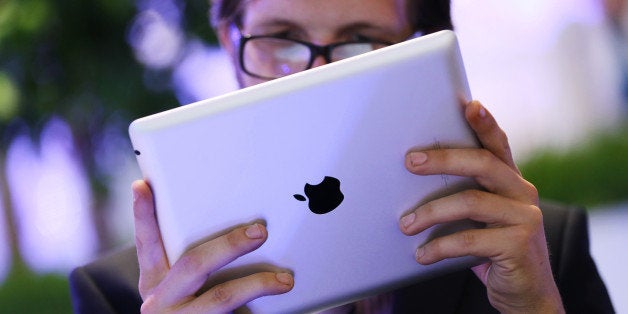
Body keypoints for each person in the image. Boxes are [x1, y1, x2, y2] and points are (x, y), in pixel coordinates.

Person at [69, 0, 615, 313]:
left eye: (361, 42)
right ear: (228, 36)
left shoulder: (532, 254)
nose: (312, 75)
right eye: (281, 38)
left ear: (423, 46)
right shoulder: (124, 297)